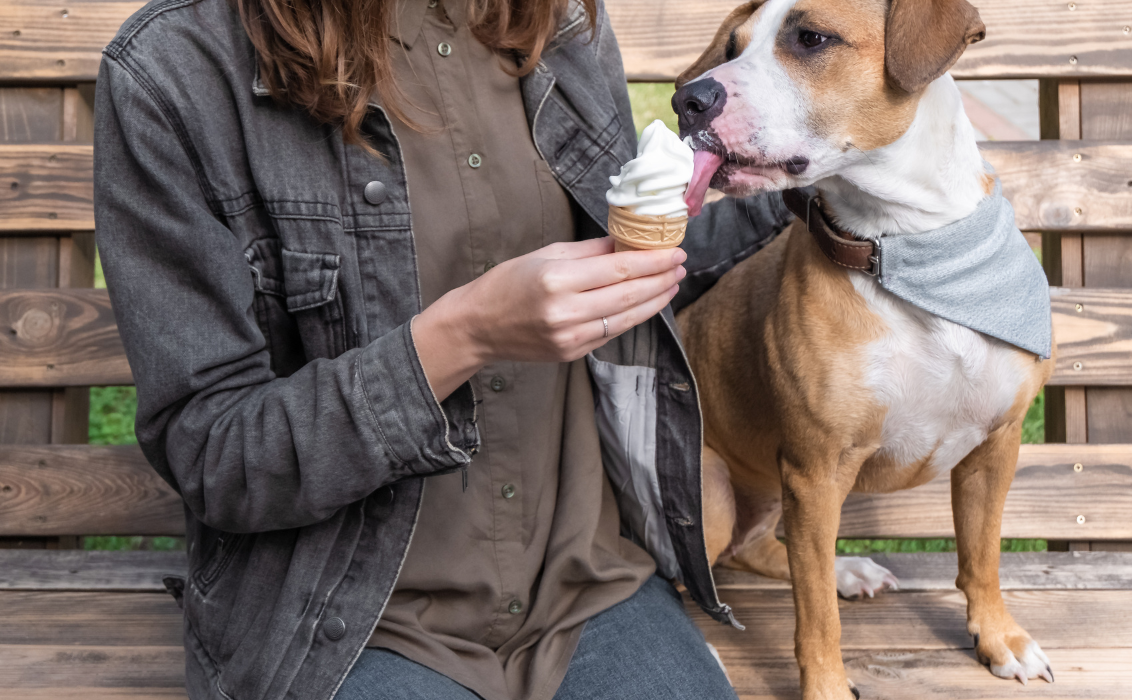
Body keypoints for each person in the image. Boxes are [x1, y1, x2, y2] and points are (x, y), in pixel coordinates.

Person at [93, 0, 792, 698]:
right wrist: (461, 337)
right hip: (341, 622)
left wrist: (808, 190)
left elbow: (620, 268)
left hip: (588, 585)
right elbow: (216, 456)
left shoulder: (557, 21)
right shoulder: (174, 67)